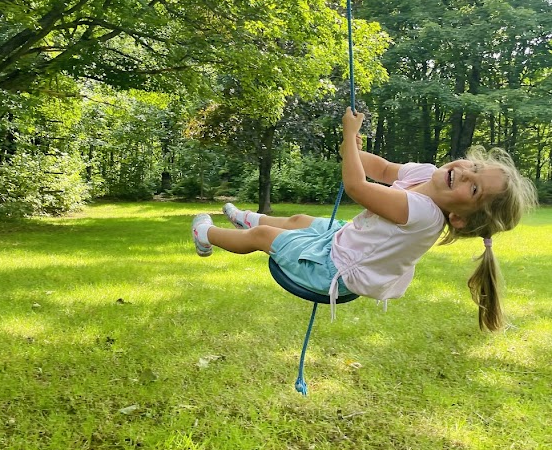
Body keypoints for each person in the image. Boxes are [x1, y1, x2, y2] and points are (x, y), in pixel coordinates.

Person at [192, 108, 538, 331]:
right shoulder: (428, 172)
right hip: (346, 239)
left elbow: (357, 186)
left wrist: (346, 138)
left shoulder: (423, 214)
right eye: (473, 167)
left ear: (459, 219)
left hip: (335, 270)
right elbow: (381, 169)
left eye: (474, 188)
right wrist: (353, 150)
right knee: (299, 219)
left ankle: (207, 233)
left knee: (264, 238)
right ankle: (246, 218)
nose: (464, 174)